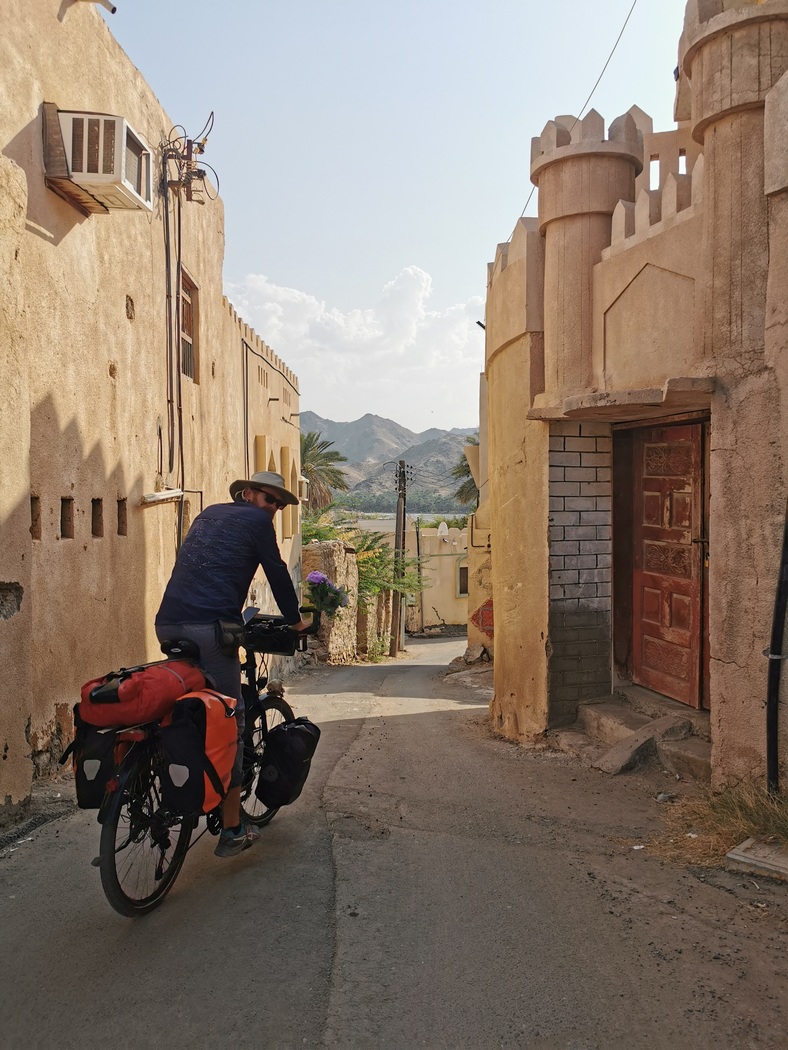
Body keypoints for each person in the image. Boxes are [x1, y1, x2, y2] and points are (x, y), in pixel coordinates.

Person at [155, 471, 311, 858]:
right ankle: (231, 828)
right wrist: (295, 621)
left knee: (190, 706)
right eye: (269, 499)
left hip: (168, 623)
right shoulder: (257, 523)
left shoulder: (207, 514)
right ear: (247, 494)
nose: (273, 509)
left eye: (279, 505)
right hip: (210, 630)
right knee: (232, 719)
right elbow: (277, 574)